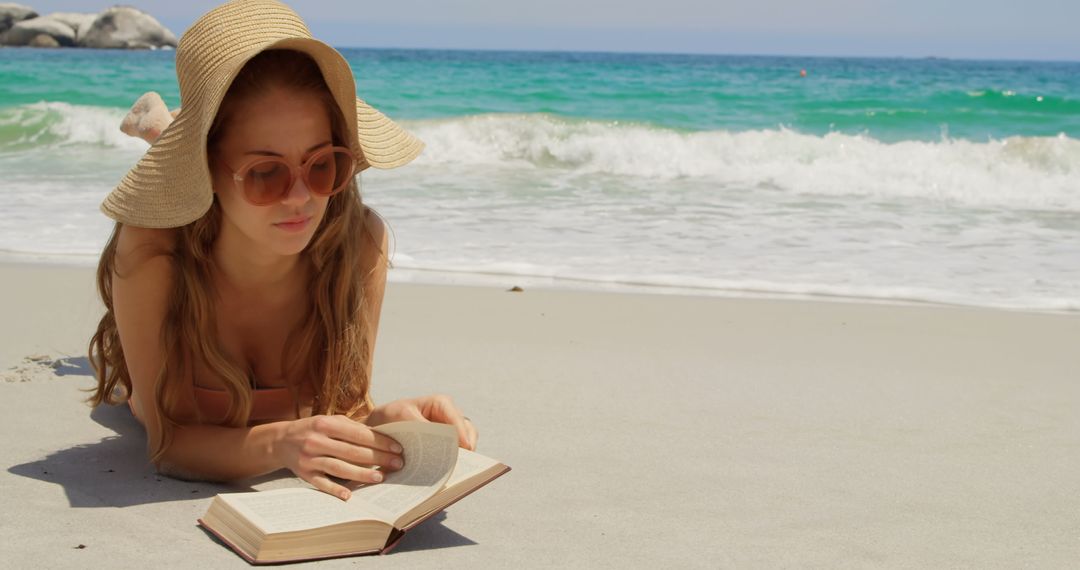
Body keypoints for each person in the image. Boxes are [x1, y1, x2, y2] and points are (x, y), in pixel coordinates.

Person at [86, 0, 477, 502]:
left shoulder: (356, 244)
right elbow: (170, 443)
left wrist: (393, 426)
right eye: (265, 173)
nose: (300, 198)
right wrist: (278, 443)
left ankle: (179, 136)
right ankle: (164, 133)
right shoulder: (151, 251)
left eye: (321, 164)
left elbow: (344, 411)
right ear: (204, 170)